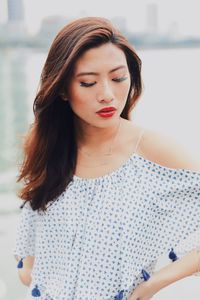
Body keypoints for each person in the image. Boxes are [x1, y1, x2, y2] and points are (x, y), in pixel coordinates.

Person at [13, 16, 200, 300]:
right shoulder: (48, 150)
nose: (107, 95)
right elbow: (28, 269)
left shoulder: (150, 150)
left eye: (118, 78)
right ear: (62, 88)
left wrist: (153, 284)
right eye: (88, 83)